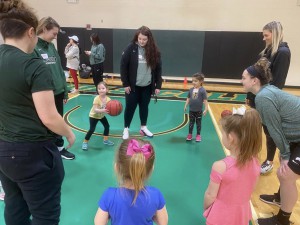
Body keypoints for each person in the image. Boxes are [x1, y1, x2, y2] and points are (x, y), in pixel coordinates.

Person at [0, 1, 75, 224]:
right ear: (32, 32)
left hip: (3, 149)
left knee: (15, 208)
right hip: (33, 152)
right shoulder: (33, 65)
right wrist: (69, 133)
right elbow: (49, 117)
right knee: (45, 216)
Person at [242, 57, 300, 225]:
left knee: (286, 174)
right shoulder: (265, 92)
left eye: (244, 78)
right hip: (296, 136)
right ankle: (281, 198)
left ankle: (283, 221)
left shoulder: (264, 98)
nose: (241, 81)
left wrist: (286, 154)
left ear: (254, 80)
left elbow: (275, 130)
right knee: (284, 170)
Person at [203, 107, 262, 225]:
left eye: (223, 133)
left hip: (220, 215)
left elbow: (210, 195)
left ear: (230, 138)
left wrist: (207, 209)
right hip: (241, 213)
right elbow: (252, 187)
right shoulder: (255, 162)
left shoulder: (220, 166)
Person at [246, 21, 291, 175]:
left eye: (266, 35)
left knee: (269, 130)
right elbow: (255, 74)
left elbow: (277, 81)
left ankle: (269, 161)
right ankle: (251, 156)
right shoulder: (267, 52)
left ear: (275, 34)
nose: (263, 38)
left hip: (268, 99)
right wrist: (250, 95)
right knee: (255, 127)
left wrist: (265, 99)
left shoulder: (283, 52)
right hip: (257, 97)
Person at [94, 138, 168, 225]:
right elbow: (163, 222)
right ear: (151, 169)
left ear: (117, 167)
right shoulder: (155, 195)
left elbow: (98, 223)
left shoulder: (109, 196)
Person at [33, 16, 75, 160]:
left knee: (58, 120)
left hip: (58, 91)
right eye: (54, 34)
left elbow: (58, 69)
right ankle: (46, 150)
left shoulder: (51, 46)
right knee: (46, 123)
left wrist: (65, 91)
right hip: (44, 94)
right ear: (44, 29)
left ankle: (59, 147)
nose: (55, 37)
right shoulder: (34, 48)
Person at [120, 26, 162, 140]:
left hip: (147, 86)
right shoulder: (131, 48)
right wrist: (125, 84)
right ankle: (126, 128)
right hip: (133, 87)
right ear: (137, 37)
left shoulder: (154, 51)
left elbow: (158, 69)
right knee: (130, 108)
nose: (142, 41)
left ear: (149, 39)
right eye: (140, 39)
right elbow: (123, 66)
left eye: (144, 39)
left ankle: (143, 127)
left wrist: (158, 85)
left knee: (144, 107)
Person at [82, 82, 114, 150]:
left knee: (107, 126)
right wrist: (104, 111)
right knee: (92, 129)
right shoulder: (97, 98)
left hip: (101, 116)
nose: (101, 90)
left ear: (107, 90)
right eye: (99, 88)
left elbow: (109, 109)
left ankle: (105, 140)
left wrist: (112, 111)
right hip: (93, 116)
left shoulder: (109, 99)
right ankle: (85, 142)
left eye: (103, 88)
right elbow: (95, 109)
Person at [184, 73, 208, 142]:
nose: (193, 82)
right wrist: (185, 105)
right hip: (191, 110)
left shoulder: (202, 90)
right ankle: (190, 134)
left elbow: (205, 100)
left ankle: (198, 135)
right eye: (192, 81)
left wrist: (206, 109)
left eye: (195, 81)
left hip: (199, 111)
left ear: (201, 82)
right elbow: (188, 98)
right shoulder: (191, 90)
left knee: (198, 123)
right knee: (191, 123)